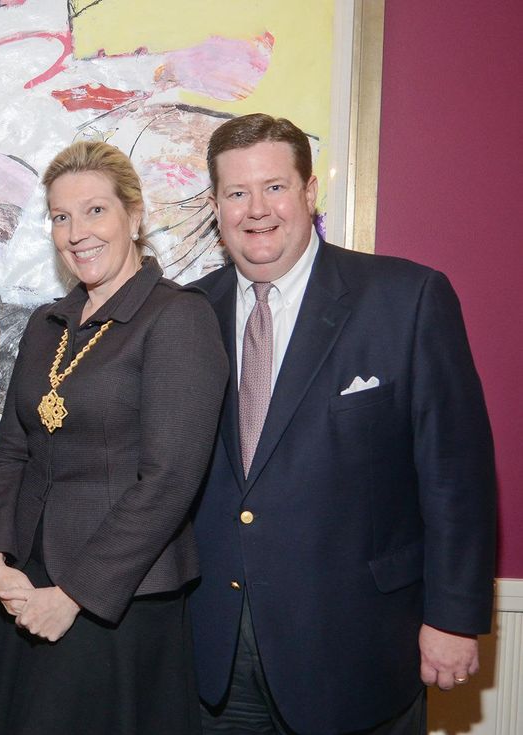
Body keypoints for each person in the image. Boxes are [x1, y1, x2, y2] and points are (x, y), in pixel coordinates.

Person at [189, 113, 497, 734]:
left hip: (359, 649)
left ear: (309, 192)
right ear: (216, 207)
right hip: (217, 654)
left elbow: (456, 478)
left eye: (275, 187)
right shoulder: (188, 313)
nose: (257, 209)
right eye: (237, 192)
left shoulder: (406, 299)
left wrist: (454, 618)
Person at [0, 140, 228, 734]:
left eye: (95, 211)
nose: (76, 232)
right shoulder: (48, 323)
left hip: (116, 602)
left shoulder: (177, 317)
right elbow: (11, 450)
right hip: (24, 590)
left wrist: (74, 595)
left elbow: (169, 481)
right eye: (61, 216)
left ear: (133, 217)